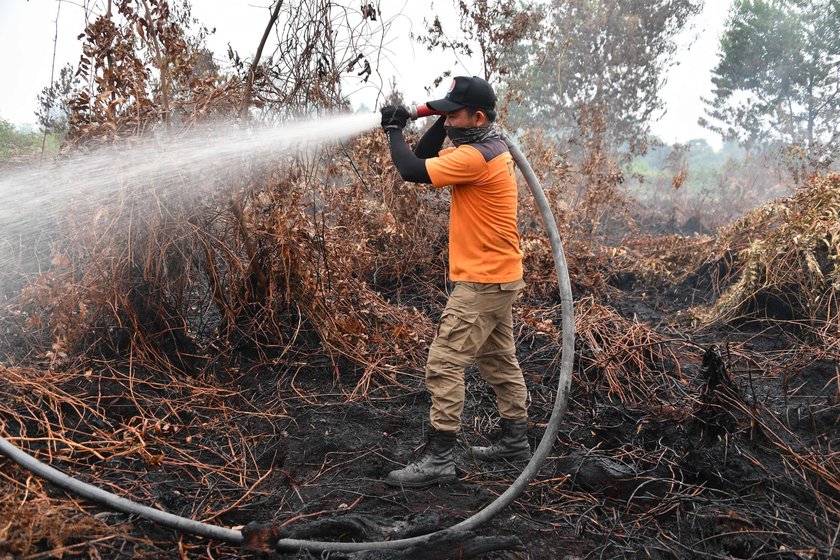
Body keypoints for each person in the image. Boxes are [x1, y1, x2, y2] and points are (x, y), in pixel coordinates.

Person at [380, 76, 530, 488]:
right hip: (501, 277)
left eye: (455, 114)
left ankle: (440, 459)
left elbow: (411, 169)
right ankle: (515, 442)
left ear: (477, 117)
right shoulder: (489, 146)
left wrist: (394, 129)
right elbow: (428, 153)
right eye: (445, 114)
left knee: (444, 363)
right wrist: (439, 118)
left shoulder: (474, 159)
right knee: (498, 360)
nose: (448, 122)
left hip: (482, 282)